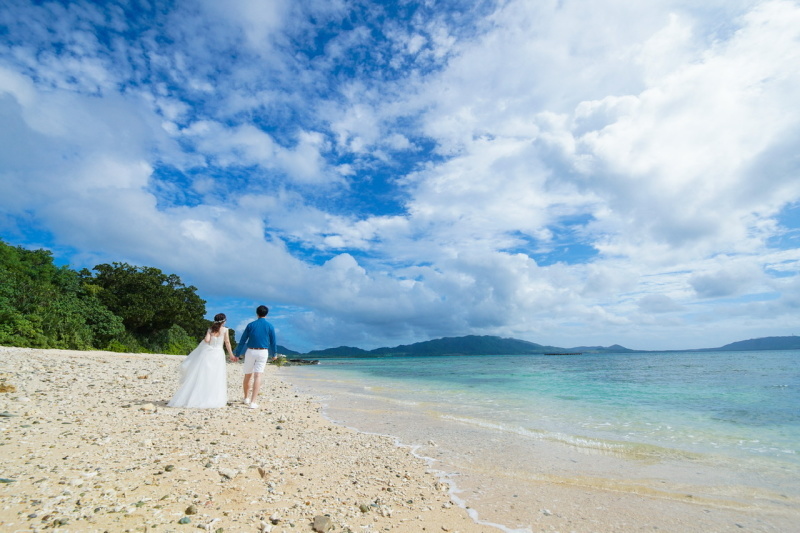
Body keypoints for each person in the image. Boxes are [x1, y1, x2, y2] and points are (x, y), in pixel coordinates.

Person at [168, 313, 236, 408]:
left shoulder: (210, 329)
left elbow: (207, 340)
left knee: (203, 375)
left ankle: (196, 397)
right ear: (224, 321)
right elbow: (227, 342)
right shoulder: (225, 330)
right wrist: (231, 355)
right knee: (216, 376)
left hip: (208, 353)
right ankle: (213, 398)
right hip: (218, 354)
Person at [235, 305, 277, 409]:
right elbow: (273, 341)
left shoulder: (250, 325)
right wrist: (274, 354)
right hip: (263, 352)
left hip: (250, 351)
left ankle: (246, 398)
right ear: (266, 314)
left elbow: (243, 340)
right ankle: (253, 402)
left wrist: (237, 354)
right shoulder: (270, 326)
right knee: (258, 376)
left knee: (247, 375)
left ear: (256, 313)